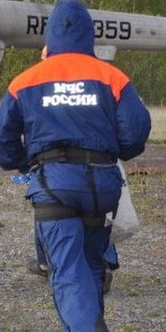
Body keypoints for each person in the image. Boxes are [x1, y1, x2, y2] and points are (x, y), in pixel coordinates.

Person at [0, 0, 151, 332]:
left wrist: (25, 164)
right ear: (88, 35)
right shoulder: (113, 77)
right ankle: (88, 328)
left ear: (51, 36)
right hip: (102, 188)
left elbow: (0, 139)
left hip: (54, 186)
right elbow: (135, 133)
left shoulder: (26, 81)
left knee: (67, 272)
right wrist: (111, 152)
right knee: (92, 266)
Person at [25, 46, 120, 294]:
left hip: (56, 169)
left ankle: (48, 263)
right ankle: (104, 263)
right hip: (100, 164)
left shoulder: (40, 85)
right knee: (98, 218)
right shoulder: (99, 81)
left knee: (48, 213)